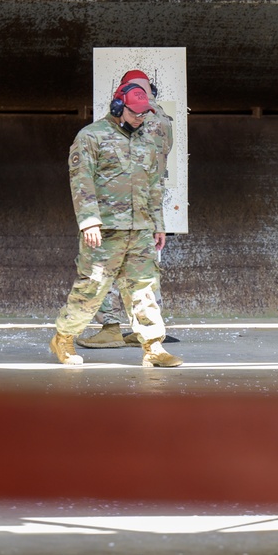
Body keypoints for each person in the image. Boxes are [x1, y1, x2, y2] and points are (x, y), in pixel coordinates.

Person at [50, 79, 182, 368]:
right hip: (105, 229)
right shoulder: (91, 136)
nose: (140, 118)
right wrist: (89, 222)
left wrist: (158, 225)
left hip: (140, 229)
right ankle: (64, 338)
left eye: (144, 113)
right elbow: (81, 182)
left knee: (144, 287)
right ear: (118, 107)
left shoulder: (148, 139)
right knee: (92, 288)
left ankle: (153, 346)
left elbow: (154, 185)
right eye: (135, 112)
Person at [77, 70, 173, 349]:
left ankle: (110, 327)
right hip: (146, 206)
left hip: (114, 207)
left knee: (102, 269)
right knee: (144, 273)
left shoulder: (122, 124)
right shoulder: (163, 118)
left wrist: (89, 218)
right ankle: (146, 331)